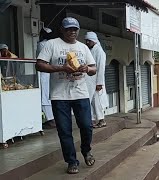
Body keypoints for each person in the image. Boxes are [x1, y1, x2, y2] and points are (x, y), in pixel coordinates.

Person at [36, 17, 97, 174]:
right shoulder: (52, 44)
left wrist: (86, 69)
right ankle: (71, 161)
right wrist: (61, 68)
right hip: (59, 95)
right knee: (64, 130)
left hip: (80, 92)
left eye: (75, 29)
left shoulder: (83, 47)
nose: (72, 32)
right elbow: (40, 64)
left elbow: (93, 68)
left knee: (86, 126)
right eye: (69, 29)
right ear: (62, 30)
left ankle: (86, 150)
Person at [84, 32, 108, 128]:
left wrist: (99, 83)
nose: (87, 42)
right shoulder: (91, 50)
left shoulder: (99, 51)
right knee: (92, 101)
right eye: (86, 40)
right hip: (89, 80)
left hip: (96, 80)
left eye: (89, 41)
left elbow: (101, 68)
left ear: (93, 40)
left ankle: (101, 120)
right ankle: (92, 120)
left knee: (97, 101)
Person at [36, 27, 56, 129]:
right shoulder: (52, 44)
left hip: (44, 73)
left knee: (44, 97)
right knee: (48, 96)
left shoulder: (42, 44)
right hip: (50, 72)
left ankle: (50, 119)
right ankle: (52, 118)